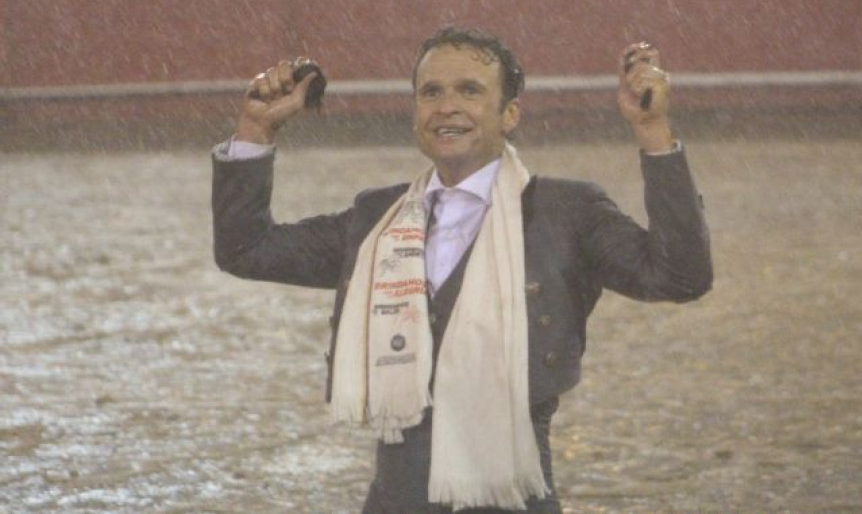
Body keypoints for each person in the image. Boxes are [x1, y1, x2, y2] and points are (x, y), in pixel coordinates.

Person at [211, 26, 712, 513]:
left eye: (469, 90)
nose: (446, 106)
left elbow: (680, 276)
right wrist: (257, 129)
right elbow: (247, 250)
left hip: (512, 500)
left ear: (510, 113)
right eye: (431, 92)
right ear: (416, 112)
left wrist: (652, 131)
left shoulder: (567, 212)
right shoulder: (376, 218)